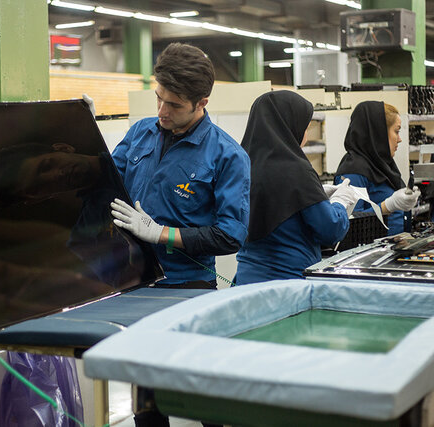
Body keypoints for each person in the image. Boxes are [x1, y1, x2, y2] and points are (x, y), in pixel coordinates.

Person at [109, 42, 250, 427]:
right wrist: (81, 135)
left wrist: (162, 234)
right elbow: (105, 183)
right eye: (159, 98)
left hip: (188, 290)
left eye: (173, 105)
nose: (162, 112)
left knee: (202, 398)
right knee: (147, 403)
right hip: (137, 286)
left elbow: (231, 235)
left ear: (201, 102)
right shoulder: (140, 134)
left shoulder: (227, 156)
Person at [234, 90, 354, 286]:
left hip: (246, 280)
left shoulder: (241, 164)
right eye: (305, 127)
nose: (305, 135)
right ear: (289, 127)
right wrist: (339, 203)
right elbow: (330, 229)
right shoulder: (296, 169)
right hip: (287, 284)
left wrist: (315, 196)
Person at [334, 101, 420, 236]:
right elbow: (349, 225)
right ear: (378, 133)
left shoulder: (383, 165)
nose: (399, 139)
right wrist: (387, 206)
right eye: (396, 131)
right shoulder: (353, 172)